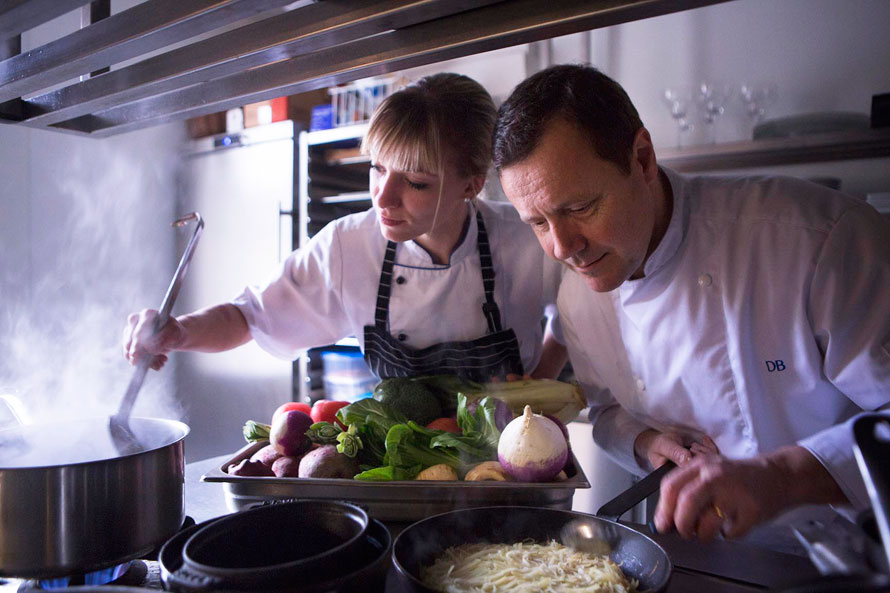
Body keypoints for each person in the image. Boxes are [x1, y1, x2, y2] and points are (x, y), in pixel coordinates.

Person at [493, 63, 890, 551]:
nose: (561, 247)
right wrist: (645, 443)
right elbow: (608, 411)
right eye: (537, 222)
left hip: (855, 552)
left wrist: (782, 475)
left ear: (642, 158)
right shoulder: (578, 297)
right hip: (703, 557)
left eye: (579, 209)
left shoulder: (817, 240)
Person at [123, 72, 566, 387]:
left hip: (510, 468)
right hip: (401, 470)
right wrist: (179, 331)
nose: (382, 197)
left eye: (414, 182)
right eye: (377, 168)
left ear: (470, 184)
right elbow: (251, 316)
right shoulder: (349, 246)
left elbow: (576, 316)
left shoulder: (527, 239)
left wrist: (538, 383)